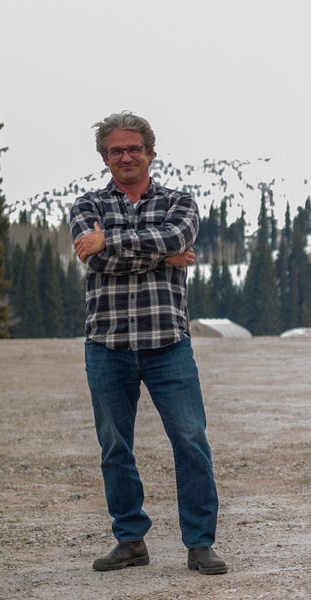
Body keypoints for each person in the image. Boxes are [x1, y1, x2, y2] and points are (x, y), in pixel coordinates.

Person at [69, 112, 226, 575]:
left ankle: (200, 544)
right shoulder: (86, 204)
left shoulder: (179, 201)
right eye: (116, 150)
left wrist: (111, 244)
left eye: (133, 148)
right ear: (104, 157)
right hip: (106, 345)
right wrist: (161, 255)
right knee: (115, 447)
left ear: (150, 152)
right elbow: (92, 261)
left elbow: (178, 235)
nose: (125, 156)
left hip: (167, 344)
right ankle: (130, 539)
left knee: (191, 441)